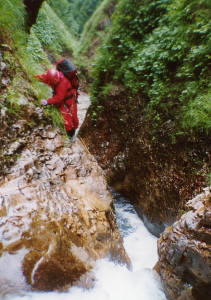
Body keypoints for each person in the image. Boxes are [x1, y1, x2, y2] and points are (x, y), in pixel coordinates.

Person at [35, 59, 79, 139]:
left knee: (70, 120)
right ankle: (71, 134)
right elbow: (44, 78)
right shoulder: (54, 75)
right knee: (71, 119)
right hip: (67, 97)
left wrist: (47, 101)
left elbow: (59, 98)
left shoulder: (63, 83)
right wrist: (33, 77)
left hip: (69, 100)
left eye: (53, 83)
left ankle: (71, 137)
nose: (51, 84)